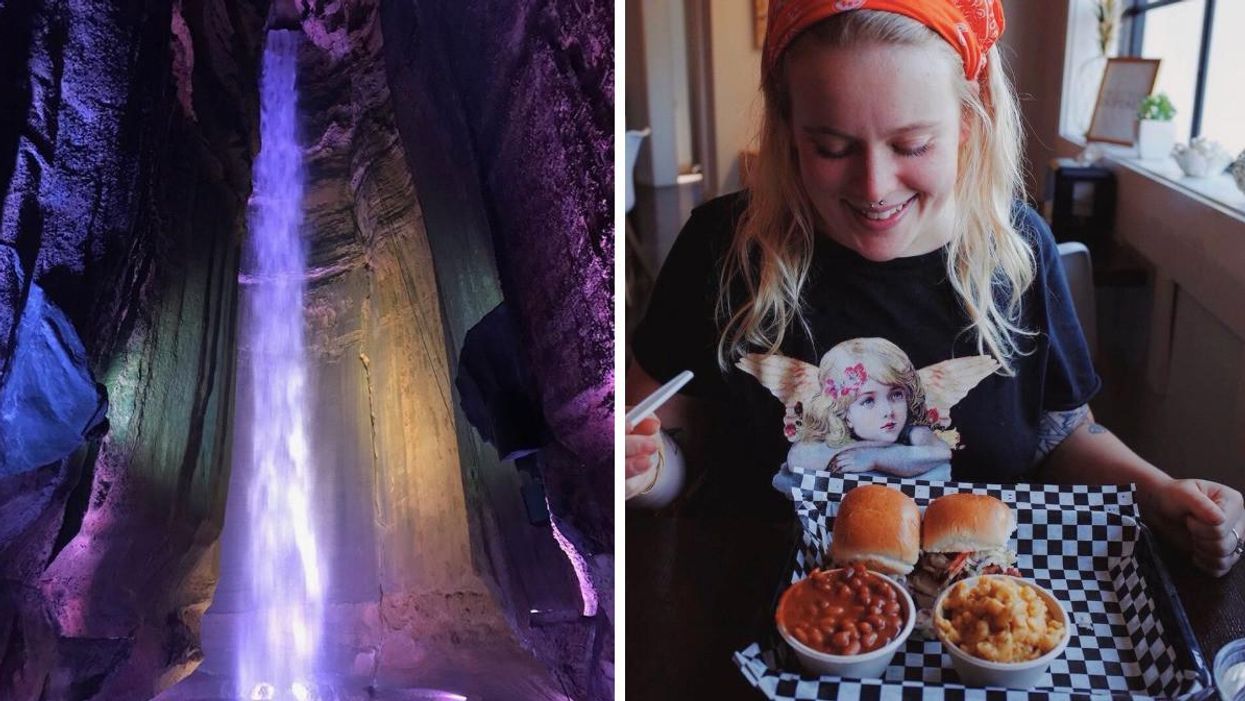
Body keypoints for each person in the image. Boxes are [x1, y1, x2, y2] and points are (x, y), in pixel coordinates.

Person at [625, 0, 1245, 577]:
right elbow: (674, 443)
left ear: (970, 120)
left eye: (913, 145)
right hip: (760, 610)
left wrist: (1159, 493)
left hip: (974, 612)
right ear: (788, 129)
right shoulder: (723, 245)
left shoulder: (1017, 247)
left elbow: (1063, 434)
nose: (875, 186)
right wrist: (644, 470)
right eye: (832, 148)